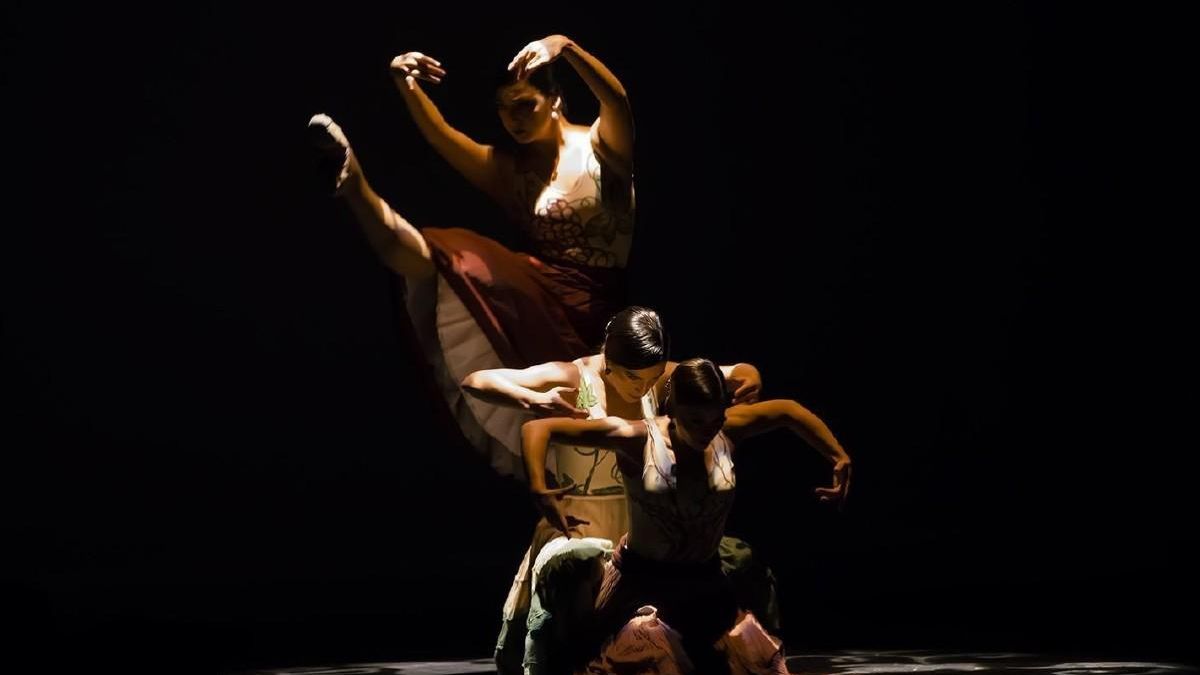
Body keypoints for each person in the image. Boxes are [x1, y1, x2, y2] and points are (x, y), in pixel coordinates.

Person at [307, 34, 635, 476]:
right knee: (448, 254)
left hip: (599, 305)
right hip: (540, 295)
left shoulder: (600, 146)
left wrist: (567, 47)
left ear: (555, 99)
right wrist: (405, 84)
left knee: (602, 437)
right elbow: (443, 138)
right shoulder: (508, 170)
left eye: (524, 105)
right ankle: (355, 185)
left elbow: (617, 101)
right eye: (504, 110)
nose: (513, 120)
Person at [461, 307, 771, 673]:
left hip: (642, 534)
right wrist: (531, 400)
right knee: (575, 609)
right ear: (609, 360)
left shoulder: (664, 380)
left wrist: (752, 376)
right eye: (632, 377)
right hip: (579, 526)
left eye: (651, 376)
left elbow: (735, 372)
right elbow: (475, 380)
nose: (642, 387)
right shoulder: (574, 376)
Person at [521, 358, 852, 673]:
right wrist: (539, 487)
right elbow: (538, 429)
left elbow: (787, 411)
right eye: (696, 420)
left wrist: (837, 456)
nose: (707, 430)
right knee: (648, 658)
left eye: (716, 419)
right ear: (673, 408)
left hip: (704, 581)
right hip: (642, 583)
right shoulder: (637, 438)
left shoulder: (727, 432)